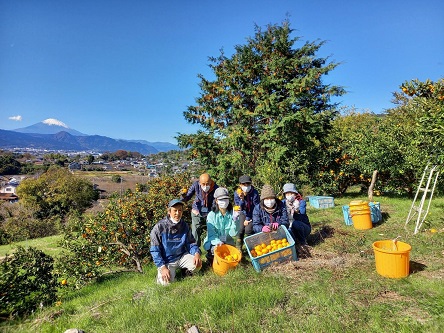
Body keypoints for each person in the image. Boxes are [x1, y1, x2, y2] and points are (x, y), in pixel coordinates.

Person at [150, 199, 202, 286]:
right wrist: (162, 267)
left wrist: (196, 253)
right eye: (175, 210)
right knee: (166, 284)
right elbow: (155, 250)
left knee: (197, 265)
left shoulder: (184, 225)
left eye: (180, 210)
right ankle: (161, 274)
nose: (177, 213)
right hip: (167, 261)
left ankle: (185, 272)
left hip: (181, 256)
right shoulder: (159, 227)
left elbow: (191, 243)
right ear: (169, 212)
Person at [203, 187, 240, 264]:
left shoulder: (232, 214)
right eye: (221, 199)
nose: (224, 201)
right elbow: (212, 234)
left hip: (228, 241)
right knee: (216, 251)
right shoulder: (211, 215)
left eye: (226, 199)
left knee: (232, 256)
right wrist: (218, 242)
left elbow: (233, 233)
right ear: (216, 200)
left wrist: (235, 220)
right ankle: (210, 256)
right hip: (214, 242)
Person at [181, 173, 219, 247]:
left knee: (212, 230)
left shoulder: (215, 187)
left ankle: (211, 249)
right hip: (197, 211)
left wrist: (212, 212)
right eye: (203, 184)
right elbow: (187, 198)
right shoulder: (196, 185)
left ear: (211, 181)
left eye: (207, 184)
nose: (205, 186)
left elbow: (215, 203)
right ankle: (196, 250)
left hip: (209, 211)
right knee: (195, 232)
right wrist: (183, 195)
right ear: (199, 183)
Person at [234, 175, 260, 248]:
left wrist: (248, 219)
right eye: (244, 184)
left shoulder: (254, 193)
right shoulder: (236, 193)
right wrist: (242, 199)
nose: (246, 186)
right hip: (243, 213)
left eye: (248, 184)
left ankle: (254, 246)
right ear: (240, 185)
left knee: (248, 230)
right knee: (240, 229)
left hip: (253, 213)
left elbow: (256, 207)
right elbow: (239, 207)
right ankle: (239, 248)